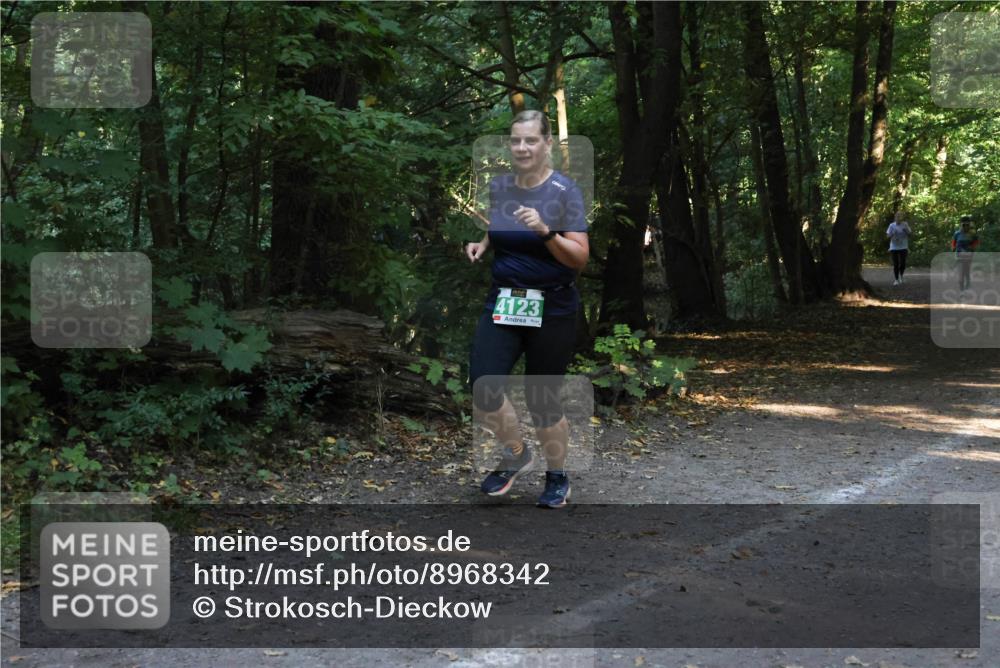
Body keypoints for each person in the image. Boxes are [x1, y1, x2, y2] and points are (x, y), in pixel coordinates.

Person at [464, 110, 589, 508]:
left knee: (543, 398)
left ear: (547, 144)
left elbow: (579, 258)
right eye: (515, 140)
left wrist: (546, 232)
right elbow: (500, 224)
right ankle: (517, 455)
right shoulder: (502, 186)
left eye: (530, 140)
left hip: (552, 306)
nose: (521, 148)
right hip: (505, 301)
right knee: (483, 383)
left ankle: (557, 476)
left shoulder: (565, 191)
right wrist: (484, 243)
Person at [952, 215, 980, 291]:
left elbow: (976, 242)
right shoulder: (957, 233)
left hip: (968, 255)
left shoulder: (972, 234)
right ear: (961, 225)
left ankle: (968, 282)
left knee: (966, 270)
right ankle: (961, 288)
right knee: (960, 272)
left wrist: (972, 247)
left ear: (969, 224)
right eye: (964, 225)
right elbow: (954, 243)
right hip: (959, 255)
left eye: (967, 225)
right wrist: (953, 248)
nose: (965, 227)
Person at [886, 211, 911, 285]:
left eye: (900, 217)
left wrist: (906, 230)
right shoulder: (891, 225)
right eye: (897, 217)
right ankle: (896, 279)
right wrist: (892, 233)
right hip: (894, 247)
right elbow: (887, 236)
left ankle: (901, 276)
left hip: (903, 246)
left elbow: (910, 234)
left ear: (902, 218)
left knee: (903, 263)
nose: (898, 218)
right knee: (896, 263)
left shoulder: (905, 224)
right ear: (895, 218)